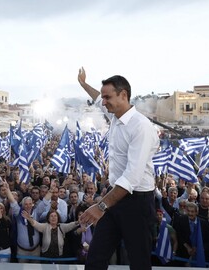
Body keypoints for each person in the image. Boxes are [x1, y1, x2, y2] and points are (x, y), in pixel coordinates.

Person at [78, 67, 159, 270]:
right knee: (95, 259)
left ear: (124, 95)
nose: (103, 103)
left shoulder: (140, 126)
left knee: (139, 262)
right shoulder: (115, 115)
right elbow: (98, 98)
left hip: (137, 203)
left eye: (108, 97)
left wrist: (101, 206)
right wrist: (83, 84)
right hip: (115, 199)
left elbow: (132, 177)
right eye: (104, 98)